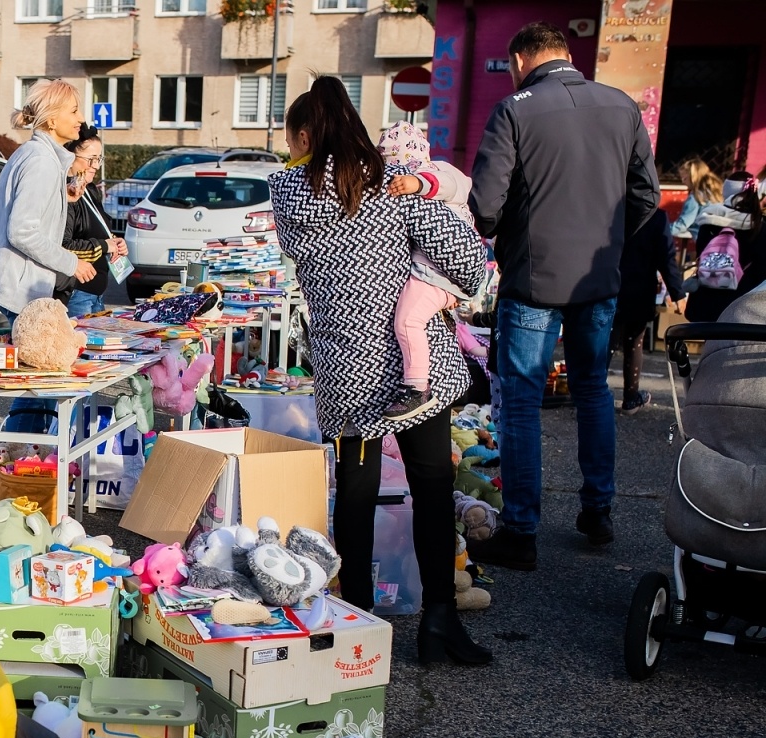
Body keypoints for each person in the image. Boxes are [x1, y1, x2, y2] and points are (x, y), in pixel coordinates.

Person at [270, 77, 490, 667]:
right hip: (415, 370)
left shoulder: (287, 193)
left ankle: (357, 626)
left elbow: (308, 228)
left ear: (307, 136)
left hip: (346, 370)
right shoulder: (397, 188)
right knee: (433, 488)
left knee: (357, 494)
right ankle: (439, 622)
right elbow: (471, 265)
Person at [468, 21, 659, 566]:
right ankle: (598, 511)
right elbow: (645, 195)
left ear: (520, 60)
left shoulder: (516, 110)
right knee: (594, 389)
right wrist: (610, 241)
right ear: (566, 55)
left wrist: (515, 233)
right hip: (597, 279)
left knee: (524, 401)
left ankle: (522, 531)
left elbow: (484, 207)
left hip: (533, 277)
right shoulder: (623, 106)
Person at [0, 81, 95, 359]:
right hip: (20, 287)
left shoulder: (38, 155)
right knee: (43, 374)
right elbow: (22, 231)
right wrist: (72, 263)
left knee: (39, 376)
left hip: (21, 285)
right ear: (52, 119)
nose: (81, 119)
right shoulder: (41, 160)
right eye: (73, 112)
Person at [377, 122, 478, 421]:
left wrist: (417, 183)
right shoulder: (442, 171)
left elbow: (449, 185)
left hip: (436, 272)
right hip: (440, 272)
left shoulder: (435, 174)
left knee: (408, 321)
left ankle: (417, 387)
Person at [611, 210, 685, 413]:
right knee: (634, 342)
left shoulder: (610, 207)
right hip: (640, 288)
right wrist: (677, 291)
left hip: (607, 285)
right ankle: (631, 397)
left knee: (606, 342)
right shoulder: (655, 215)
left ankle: (592, 395)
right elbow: (666, 257)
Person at [57, 124, 124, 319]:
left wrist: (116, 242)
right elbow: (63, 245)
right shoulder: (67, 194)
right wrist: (104, 246)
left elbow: (100, 230)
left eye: (99, 159)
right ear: (71, 157)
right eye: (91, 160)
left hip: (97, 293)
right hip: (77, 293)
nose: (96, 165)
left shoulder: (90, 190)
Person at [685, 173, 765, 324]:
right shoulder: (760, 226)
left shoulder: (708, 220)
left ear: (726, 191)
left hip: (706, 304)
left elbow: (702, 255)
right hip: (743, 308)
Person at [671, 157, 723, 243]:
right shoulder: (716, 194)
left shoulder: (696, 197)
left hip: (704, 240)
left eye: (685, 179)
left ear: (693, 178)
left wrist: (660, 230)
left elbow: (682, 225)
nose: (683, 182)